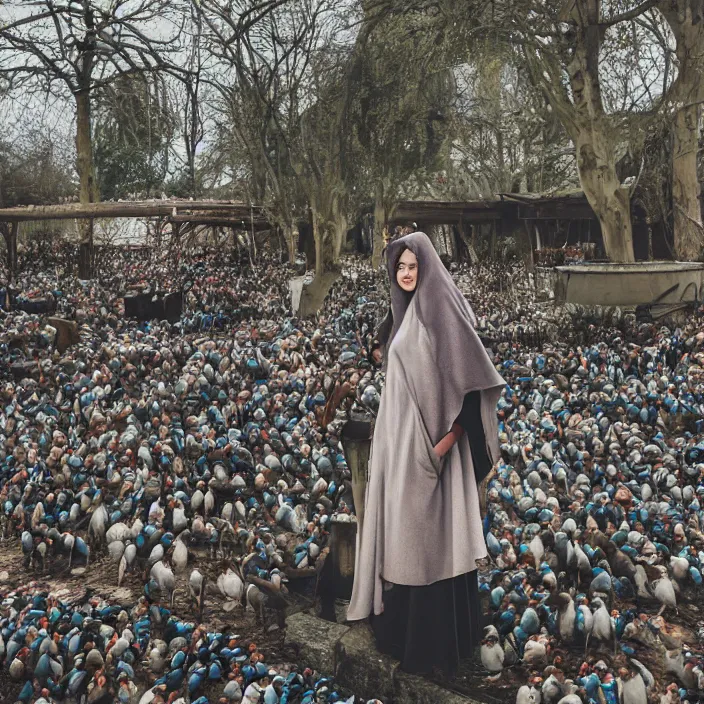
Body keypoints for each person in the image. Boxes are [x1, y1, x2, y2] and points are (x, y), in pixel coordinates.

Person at [346, 231, 506, 676]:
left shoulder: (445, 313)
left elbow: (473, 387)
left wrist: (445, 442)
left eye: (413, 265)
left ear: (428, 266)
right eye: (400, 266)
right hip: (400, 448)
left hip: (430, 451)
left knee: (431, 542)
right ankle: (402, 631)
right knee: (407, 541)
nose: (406, 273)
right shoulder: (403, 315)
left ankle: (433, 646)